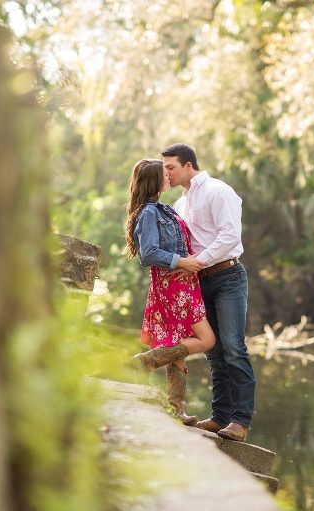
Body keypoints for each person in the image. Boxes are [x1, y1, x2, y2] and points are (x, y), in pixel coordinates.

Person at [162, 143, 256, 442]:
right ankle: (219, 418)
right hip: (199, 282)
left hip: (228, 276)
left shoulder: (218, 191)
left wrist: (196, 263)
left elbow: (230, 237)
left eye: (170, 167)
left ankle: (240, 422)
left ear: (188, 165)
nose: (166, 173)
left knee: (233, 347)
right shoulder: (179, 204)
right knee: (213, 352)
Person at [125, 158, 216, 426]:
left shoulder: (164, 209)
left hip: (185, 285)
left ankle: (175, 409)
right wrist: (183, 262)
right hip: (172, 286)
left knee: (180, 345)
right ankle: (144, 362)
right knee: (206, 339)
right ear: (154, 179)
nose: (169, 175)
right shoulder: (149, 213)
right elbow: (149, 253)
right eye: (164, 172)